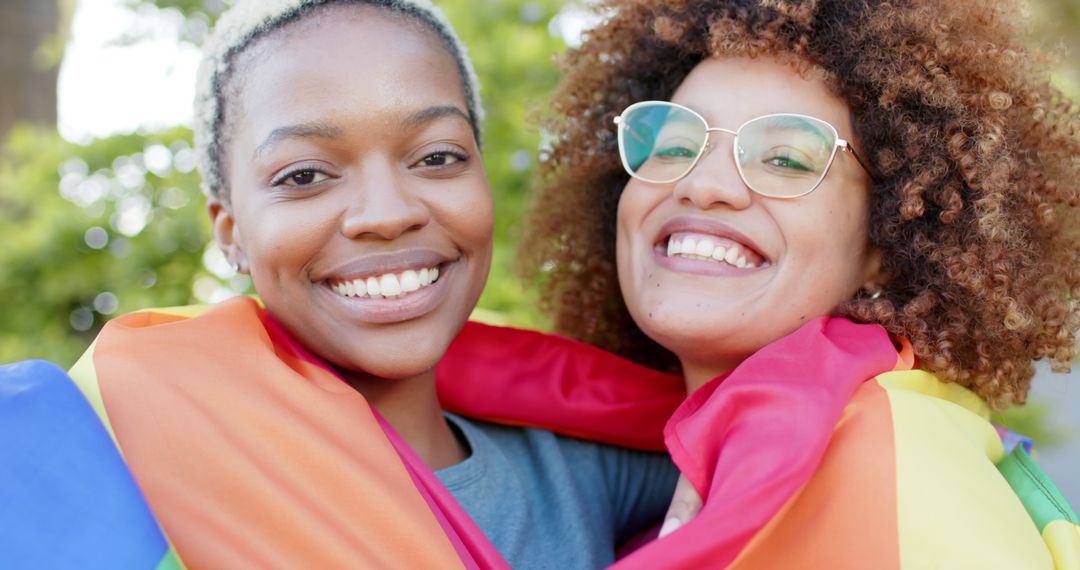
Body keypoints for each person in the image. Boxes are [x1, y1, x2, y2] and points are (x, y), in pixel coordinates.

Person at [0, 0, 681, 567]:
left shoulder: (587, 470)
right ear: (231, 231)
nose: (387, 214)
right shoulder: (117, 467)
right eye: (305, 175)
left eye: (438, 157)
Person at [520, 0, 1080, 567]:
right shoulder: (623, 487)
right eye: (674, 146)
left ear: (887, 244)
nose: (702, 183)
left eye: (786, 159)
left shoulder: (900, 458)